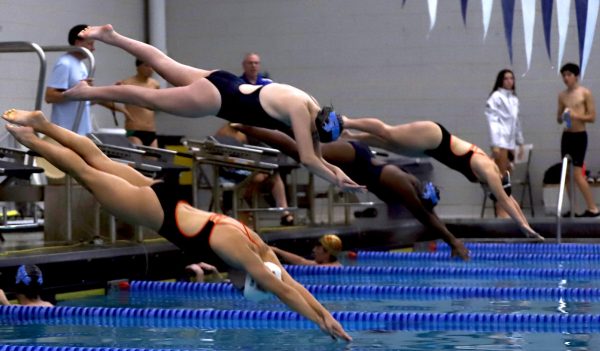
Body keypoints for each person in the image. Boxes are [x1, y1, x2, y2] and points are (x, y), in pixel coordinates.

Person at [1, 109, 351, 341]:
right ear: (251, 279)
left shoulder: (258, 249)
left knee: (97, 159)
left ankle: (43, 124)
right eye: (239, 285)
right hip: (156, 212)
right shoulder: (244, 257)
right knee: (86, 172)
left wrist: (325, 316)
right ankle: (31, 139)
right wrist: (318, 322)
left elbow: (289, 283)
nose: (232, 283)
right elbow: (283, 291)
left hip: (168, 197)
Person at [62, 25, 363, 193]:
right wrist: (335, 179)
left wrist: (340, 175)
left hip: (226, 81)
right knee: (148, 98)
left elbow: (318, 156)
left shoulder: (309, 103)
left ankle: (111, 36)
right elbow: (309, 158)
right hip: (219, 100)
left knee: (166, 65)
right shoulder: (299, 111)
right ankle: (87, 92)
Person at [232, 124, 470, 260]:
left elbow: (429, 214)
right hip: (358, 159)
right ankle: (248, 125)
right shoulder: (405, 187)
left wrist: (450, 239)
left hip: (361, 158)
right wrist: (453, 241)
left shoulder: (416, 186)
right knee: (301, 152)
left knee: (304, 151)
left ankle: (261, 126)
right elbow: (425, 215)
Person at [340, 117, 544, 241]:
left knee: (387, 145)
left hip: (433, 149)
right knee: (388, 133)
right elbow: (505, 199)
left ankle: (351, 136)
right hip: (434, 137)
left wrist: (528, 227)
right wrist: (523, 226)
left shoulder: (491, 177)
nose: (490, 193)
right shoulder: (489, 171)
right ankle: (347, 121)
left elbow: (510, 199)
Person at [215, 123, 294, 225]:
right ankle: (245, 207)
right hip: (233, 171)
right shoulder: (225, 134)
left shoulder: (246, 133)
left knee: (274, 175)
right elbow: (229, 163)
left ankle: (284, 212)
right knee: (260, 176)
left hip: (248, 168)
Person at [557, 63, 599, 217]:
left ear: (576, 76)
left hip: (580, 136)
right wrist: (563, 117)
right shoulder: (562, 96)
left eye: (568, 75)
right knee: (566, 174)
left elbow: (592, 117)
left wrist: (575, 116)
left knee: (577, 174)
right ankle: (573, 209)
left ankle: (593, 207)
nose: (565, 78)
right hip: (566, 136)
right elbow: (558, 118)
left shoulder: (585, 93)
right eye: (563, 75)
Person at [485, 69, 525, 218]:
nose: (509, 81)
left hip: (510, 143)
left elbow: (516, 122)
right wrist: (495, 143)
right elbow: (492, 120)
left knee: (507, 175)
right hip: (500, 141)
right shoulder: (496, 97)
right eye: (506, 78)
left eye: (511, 78)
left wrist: (520, 142)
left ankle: (506, 206)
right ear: (501, 81)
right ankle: (501, 209)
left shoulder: (514, 99)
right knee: (501, 177)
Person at [45, 24, 95, 135]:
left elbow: (82, 100)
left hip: (81, 131)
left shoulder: (81, 65)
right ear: (78, 43)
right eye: (90, 44)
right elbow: (49, 96)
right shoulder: (65, 63)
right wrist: (74, 92)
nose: (93, 48)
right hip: (66, 131)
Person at [118, 59, 161, 147]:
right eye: (146, 65)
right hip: (134, 130)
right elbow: (105, 99)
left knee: (153, 160)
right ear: (138, 67)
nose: (150, 69)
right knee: (135, 159)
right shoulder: (127, 83)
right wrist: (123, 110)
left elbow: (158, 105)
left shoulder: (155, 84)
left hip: (151, 130)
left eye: (152, 66)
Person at [271, 234, 343, 266]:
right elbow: (301, 261)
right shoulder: (323, 265)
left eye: (318, 248)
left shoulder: (330, 268)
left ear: (327, 253)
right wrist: (276, 250)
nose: (314, 250)